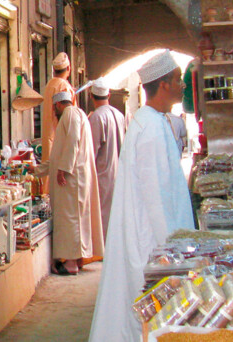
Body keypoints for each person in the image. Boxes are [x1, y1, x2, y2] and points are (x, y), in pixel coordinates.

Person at [88, 50, 196, 342]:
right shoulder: (149, 127)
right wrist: (171, 251)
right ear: (163, 85)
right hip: (152, 243)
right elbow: (156, 200)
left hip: (154, 241)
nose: (182, 84)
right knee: (148, 316)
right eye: (177, 79)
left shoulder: (155, 121)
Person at [31, 92, 104, 275]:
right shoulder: (76, 115)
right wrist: (37, 170)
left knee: (71, 218)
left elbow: (72, 142)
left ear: (57, 106)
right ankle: (77, 259)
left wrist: (64, 169)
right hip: (72, 175)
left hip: (71, 178)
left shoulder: (71, 113)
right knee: (74, 217)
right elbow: (58, 156)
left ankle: (71, 263)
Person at [87, 79, 126, 237]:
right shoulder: (119, 114)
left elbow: (91, 151)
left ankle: (105, 250)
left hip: (103, 173)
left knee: (103, 214)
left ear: (91, 96)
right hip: (118, 171)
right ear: (108, 95)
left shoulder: (96, 117)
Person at [40, 52, 76, 192]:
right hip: (61, 137)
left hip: (50, 136)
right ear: (69, 69)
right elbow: (71, 118)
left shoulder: (50, 84)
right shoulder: (64, 86)